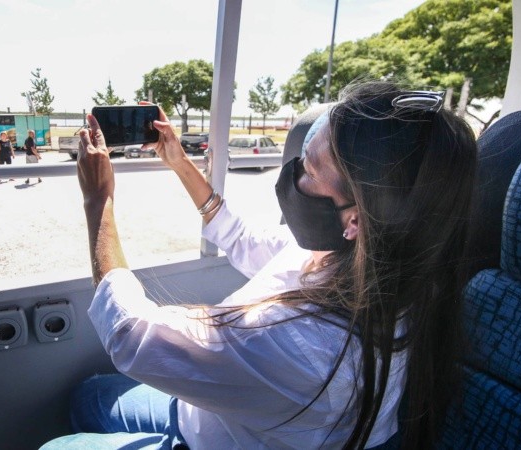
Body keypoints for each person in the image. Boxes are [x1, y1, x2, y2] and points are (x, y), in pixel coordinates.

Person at [42, 81, 478, 449]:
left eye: (308, 170)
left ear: (355, 220)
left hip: (209, 439)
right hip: (205, 413)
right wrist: (178, 160)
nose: (291, 175)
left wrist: (98, 200)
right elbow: (241, 238)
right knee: (87, 396)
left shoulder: (302, 348)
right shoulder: (375, 265)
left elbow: (128, 335)